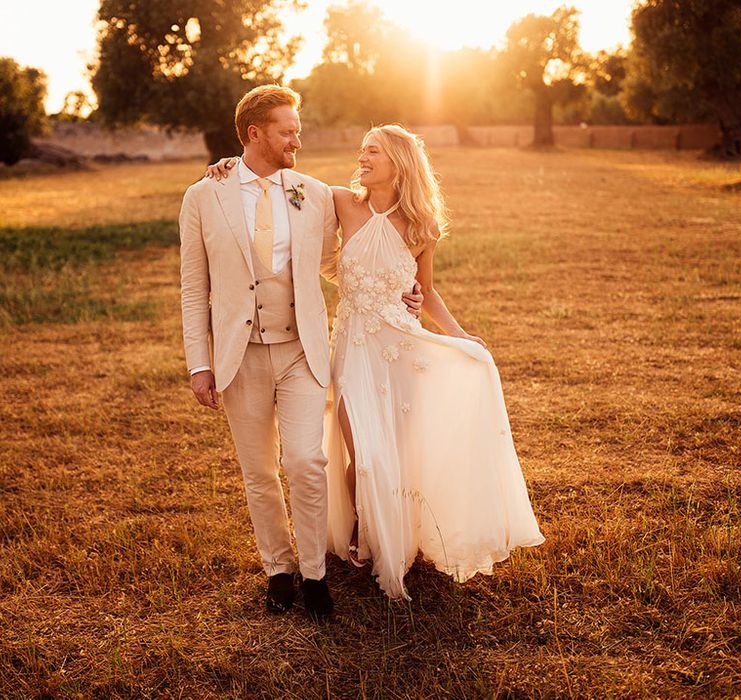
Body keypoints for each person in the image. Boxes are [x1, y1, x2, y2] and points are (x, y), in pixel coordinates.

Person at [207, 124, 544, 601]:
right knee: (363, 452)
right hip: (353, 345)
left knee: (397, 452)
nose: (362, 158)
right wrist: (229, 166)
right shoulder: (342, 201)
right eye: (362, 150)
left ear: (398, 163)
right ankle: (361, 530)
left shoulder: (421, 225)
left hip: (402, 345)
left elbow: (427, 292)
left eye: (373, 152)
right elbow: (280, 184)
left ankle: (395, 533)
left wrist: (461, 336)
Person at [180, 85, 422, 621]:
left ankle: (315, 574)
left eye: (298, 128)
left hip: (302, 352)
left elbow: (374, 237)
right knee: (259, 470)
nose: (298, 138)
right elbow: (193, 287)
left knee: (307, 461)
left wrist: (408, 285)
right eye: (288, 130)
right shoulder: (204, 195)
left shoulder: (315, 193)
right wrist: (200, 363)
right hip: (238, 356)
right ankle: (279, 569)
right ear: (254, 134)